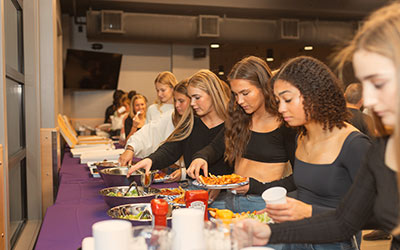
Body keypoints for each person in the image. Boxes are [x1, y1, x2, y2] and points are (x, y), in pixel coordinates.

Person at [237, 3, 400, 249]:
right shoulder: (383, 148)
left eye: (378, 83)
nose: (371, 100)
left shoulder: (355, 144)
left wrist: (306, 211)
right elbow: (344, 220)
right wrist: (269, 234)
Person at [247, 56, 371, 250]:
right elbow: (308, 191)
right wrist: (284, 208)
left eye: (287, 99)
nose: (281, 108)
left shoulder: (354, 144)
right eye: (278, 101)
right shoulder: (301, 138)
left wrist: (309, 211)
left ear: (314, 94)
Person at [187, 56, 296, 213]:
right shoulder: (240, 118)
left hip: (261, 203)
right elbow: (216, 147)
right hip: (230, 199)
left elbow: (298, 178)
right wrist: (201, 157)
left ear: (264, 87)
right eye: (236, 94)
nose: (239, 100)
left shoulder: (285, 124)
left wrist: (256, 186)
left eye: (245, 93)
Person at [127, 69, 234, 206]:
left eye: (197, 97)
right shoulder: (191, 121)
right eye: (191, 98)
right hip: (193, 191)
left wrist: (220, 186)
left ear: (213, 94)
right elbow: (172, 148)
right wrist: (151, 160)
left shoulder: (232, 123)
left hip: (225, 197)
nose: (193, 103)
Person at [118, 79, 191, 182]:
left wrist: (184, 172)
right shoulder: (170, 116)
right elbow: (150, 132)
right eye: (175, 101)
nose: (177, 105)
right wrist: (131, 148)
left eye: (181, 101)